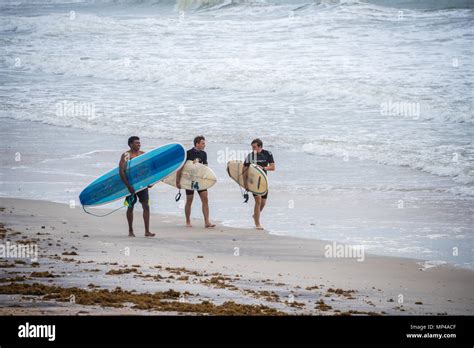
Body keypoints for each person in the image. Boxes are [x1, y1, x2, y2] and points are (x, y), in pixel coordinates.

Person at [118, 136, 155, 237]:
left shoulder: (143, 154)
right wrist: (128, 186)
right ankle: (130, 230)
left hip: (142, 185)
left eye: (139, 143)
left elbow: (148, 169)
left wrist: (151, 182)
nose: (139, 144)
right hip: (131, 186)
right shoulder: (126, 155)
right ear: (130, 144)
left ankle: (147, 231)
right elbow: (121, 171)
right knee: (130, 206)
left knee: (146, 206)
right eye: (136, 143)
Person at [176, 135, 216, 228]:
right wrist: (178, 181)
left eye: (204, 143)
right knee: (189, 200)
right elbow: (181, 167)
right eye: (202, 143)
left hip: (200, 180)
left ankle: (207, 222)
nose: (204, 145)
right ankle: (188, 221)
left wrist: (207, 177)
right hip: (189, 180)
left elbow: (205, 167)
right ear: (197, 144)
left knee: (205, 199)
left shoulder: (204, 154)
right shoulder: (188, 153)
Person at [243, 138, 275, 230]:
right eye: (252, 147)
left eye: (254, 147)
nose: (253, 149)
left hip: (263, 181)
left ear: (260, 146)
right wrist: (245, 183)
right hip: (253, 182)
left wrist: (264, 168)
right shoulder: (250, 156)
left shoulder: (267, 154)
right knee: (258, 201)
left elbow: (273, 167)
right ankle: (257, 223)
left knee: (263, 203)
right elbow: (244, 169)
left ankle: (255, 216)